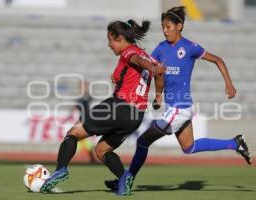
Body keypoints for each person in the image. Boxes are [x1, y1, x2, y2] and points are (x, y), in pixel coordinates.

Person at [105, 6, 252, 195]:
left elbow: (218, 60)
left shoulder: (190, 47)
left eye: (168, 27)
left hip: (180, 108)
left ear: (179, 26)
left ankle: (125, 181)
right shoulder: (160, 48)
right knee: (189, 147)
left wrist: (229, 85)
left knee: (142, 141)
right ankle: (235, 143)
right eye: (163, 27)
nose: (165, 31)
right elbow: (149, 67)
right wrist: (127, 78)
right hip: (176, 109)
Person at [40, 19, 166, 194]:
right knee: (101, 150)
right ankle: (124, 179)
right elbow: (158, 72)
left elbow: (137, 61)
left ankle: (61, 170)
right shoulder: (147, 55)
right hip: (136, 116)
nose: (109, 45)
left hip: (119, 107)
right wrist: (158, 96)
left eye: (110, 39)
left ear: (120, 37)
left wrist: (149, 67)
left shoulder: (129, 52)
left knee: (73, 133)